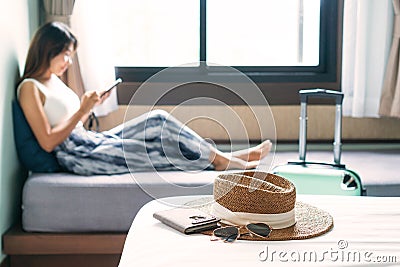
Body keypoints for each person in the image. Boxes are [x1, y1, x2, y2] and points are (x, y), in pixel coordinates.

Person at [17, 21, 272, 176]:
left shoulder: (54, 82)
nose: (68, 62)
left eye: (70, 55)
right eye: (64, 54)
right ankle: (223, 160)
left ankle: (222, 157)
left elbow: (75, 124)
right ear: (46, 49)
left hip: (89, 140)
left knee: (157, 120)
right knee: (157, 147)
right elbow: (49, 142)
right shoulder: (30, 87)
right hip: (79, 155)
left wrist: (88, 108)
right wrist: (81, 109)